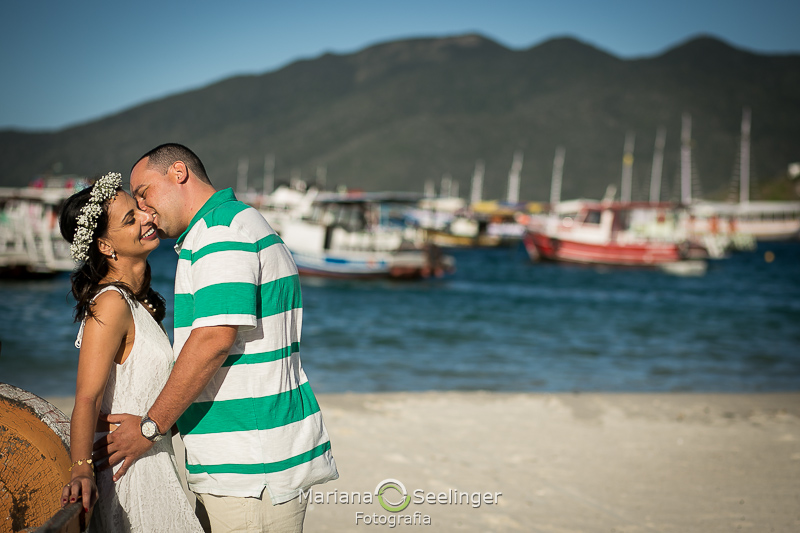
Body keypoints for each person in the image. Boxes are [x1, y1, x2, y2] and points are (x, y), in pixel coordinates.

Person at [96, 144, 338, 532]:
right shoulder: (233, 224)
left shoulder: (220, 233)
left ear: (178, 173)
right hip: (248, 461)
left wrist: (150, 427)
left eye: (144, 192)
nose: (143, 209)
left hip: (249, 468)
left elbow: (213, 340)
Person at [59, 171, 204, 532]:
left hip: (151, 457)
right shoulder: (111, 303)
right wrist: (81, 469)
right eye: (130, 219)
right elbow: (87, 398)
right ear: (106, 247)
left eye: (139, 209)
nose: (146, 217)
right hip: (130, 472)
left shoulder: (137, 303)